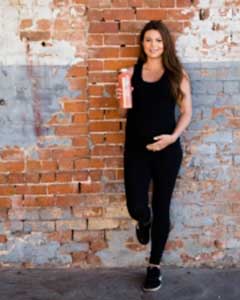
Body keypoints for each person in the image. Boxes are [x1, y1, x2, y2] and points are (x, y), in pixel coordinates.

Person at [116, 20, 192, 292]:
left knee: (163, 206)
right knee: (137, 206)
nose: (153, 45)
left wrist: (172, 138)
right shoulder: (130, 73)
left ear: (166, 44)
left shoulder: (176, 74)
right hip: (136, 150)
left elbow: (186, 112)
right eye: (148, 40)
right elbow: (124, 114)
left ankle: (154, 266)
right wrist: (121, 98)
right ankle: (143, 220)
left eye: (158, 40)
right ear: (142, 43)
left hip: (167, 152)